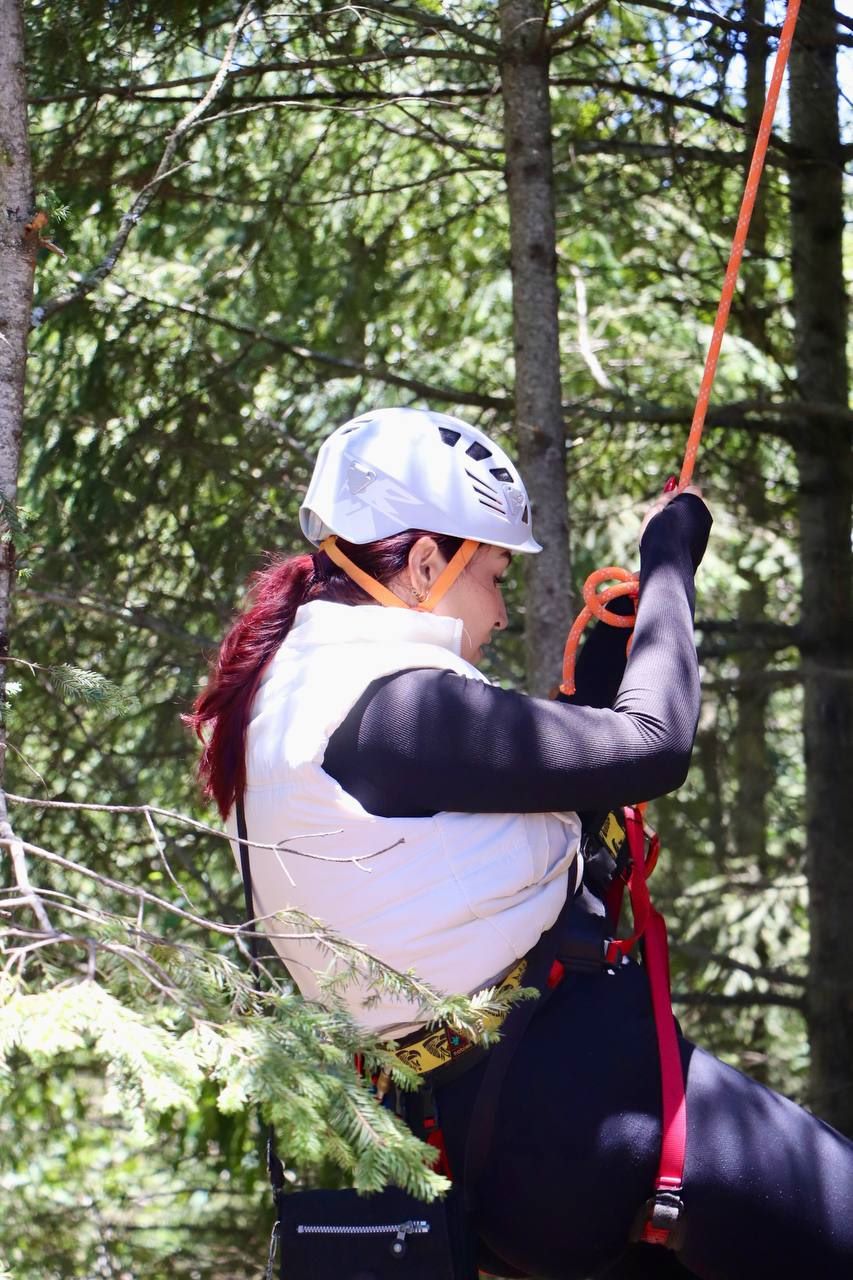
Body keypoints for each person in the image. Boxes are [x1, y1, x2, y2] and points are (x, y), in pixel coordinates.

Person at [190, 407, 853, 1280]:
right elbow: (652, 745)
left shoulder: (307, 694)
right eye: (494, 576)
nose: (501, 612)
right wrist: (669, 562)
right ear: (425, 563)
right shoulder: (394, 707)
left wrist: (613, 658)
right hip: (578, 1115)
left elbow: (538, 786)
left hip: (495, 1143)